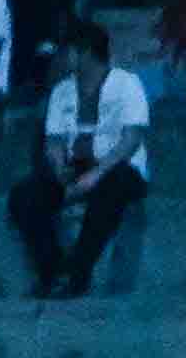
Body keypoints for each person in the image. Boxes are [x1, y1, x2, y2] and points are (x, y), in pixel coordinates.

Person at [17, 24, 153, 294]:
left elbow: (131, 139)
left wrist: (96, 175)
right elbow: (54, 141)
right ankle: (52, 270)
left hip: (117, 167)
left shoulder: (127, 84)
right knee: (25, 195)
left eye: (67, 51)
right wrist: (59, 170)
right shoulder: (62, 90)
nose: (62, 57)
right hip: (75, 166)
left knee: (111, 190)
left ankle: (79, 272)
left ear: (86, 52)